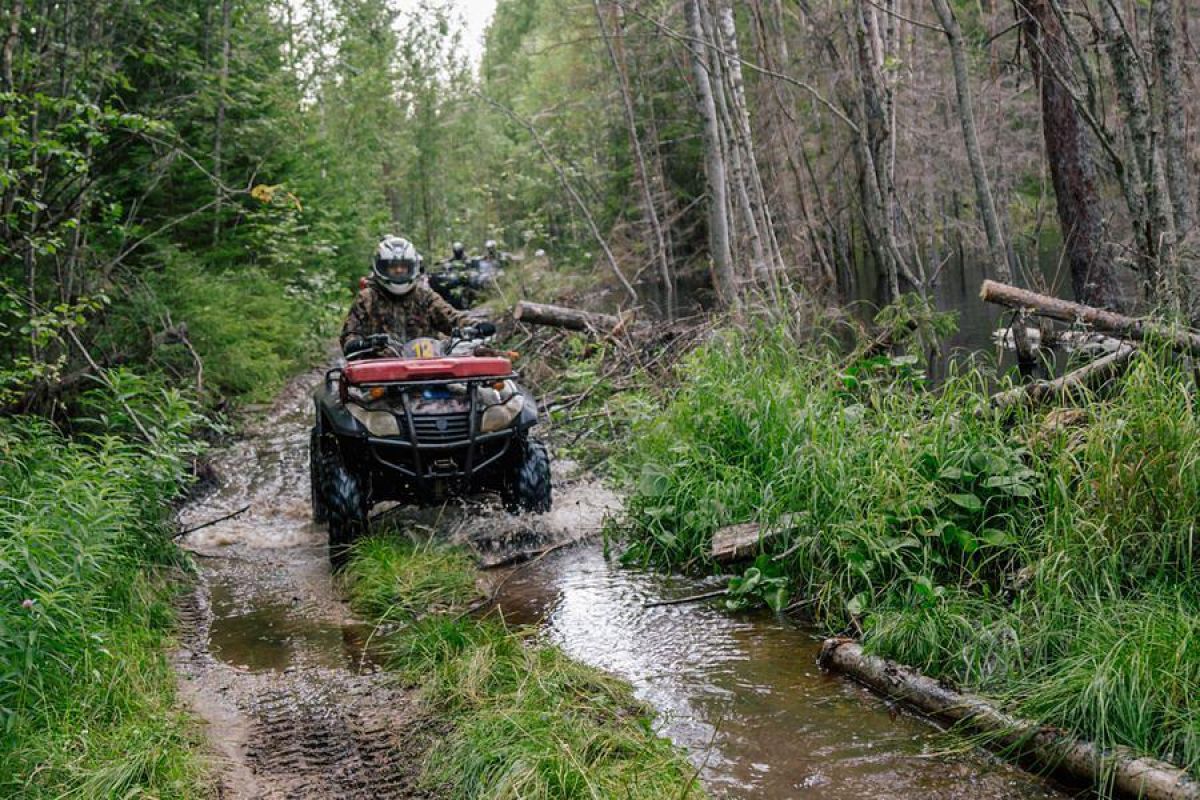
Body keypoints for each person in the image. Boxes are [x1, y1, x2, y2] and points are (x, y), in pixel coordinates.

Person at [340, 235, 493, 357]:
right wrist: (361, 343)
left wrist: (475, 326)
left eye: (404, 266)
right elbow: (349, 336)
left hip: (425, 367)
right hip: (380, 372)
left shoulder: (424, 296)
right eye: (393, 266)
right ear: (381, 267)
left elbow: (452, 318)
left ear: (412, 267)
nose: (399, 270)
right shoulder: (367, 298)